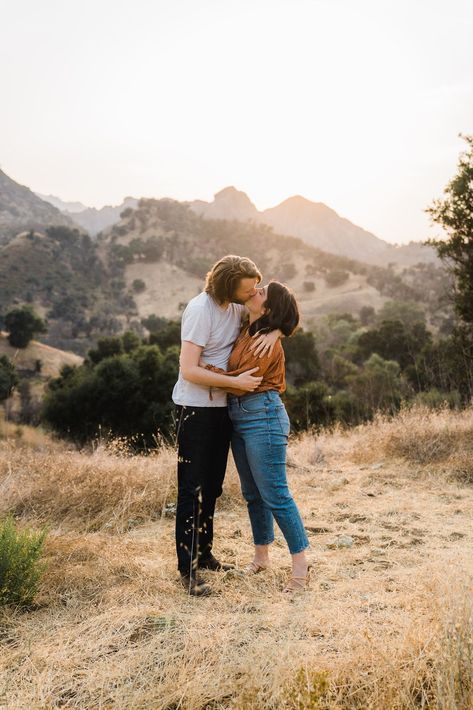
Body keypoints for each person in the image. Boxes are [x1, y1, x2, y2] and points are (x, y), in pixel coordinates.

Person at [172, 255, 281, 596]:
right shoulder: (199, 310)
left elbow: (284, 314)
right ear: (227, 284)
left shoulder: (234, 310)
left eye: (253, 290)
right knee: (192, 490)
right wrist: (236, 384)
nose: (252, 295)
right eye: (246, 289)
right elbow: (188, 369)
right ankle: (188, 571)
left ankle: (205, 556)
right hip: (195, 409)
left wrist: (276, 331)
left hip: (222, 410)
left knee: (214, 488)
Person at [203, 282, 310, 593]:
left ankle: (301, 565)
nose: (256, 290)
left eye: (263, 292)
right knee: (252, 493)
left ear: (268, 309)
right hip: (239, 415)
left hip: (262, 414)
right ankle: (261, 557)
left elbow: (243, 383)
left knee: (275, 493)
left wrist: (203, 372)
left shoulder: (265, 342)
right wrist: (280, 328)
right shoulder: (245, 327)